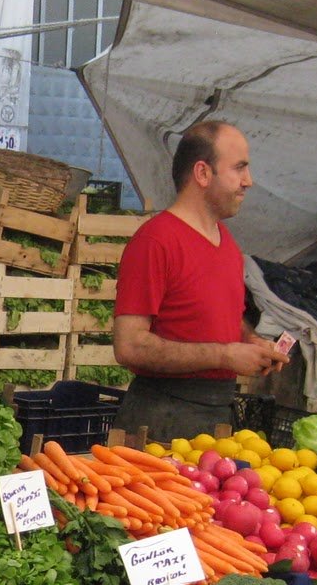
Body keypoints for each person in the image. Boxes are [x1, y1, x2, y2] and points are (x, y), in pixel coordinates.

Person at [112, 120, 288, 438]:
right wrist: (224, 354)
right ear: (203, 173)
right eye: (239, 168)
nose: (249, 181)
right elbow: (129, 345)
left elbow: (219, 319)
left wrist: (251, 342)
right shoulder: (156, 240)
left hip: (217, 415)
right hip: (159, 421)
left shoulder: (228, 245)